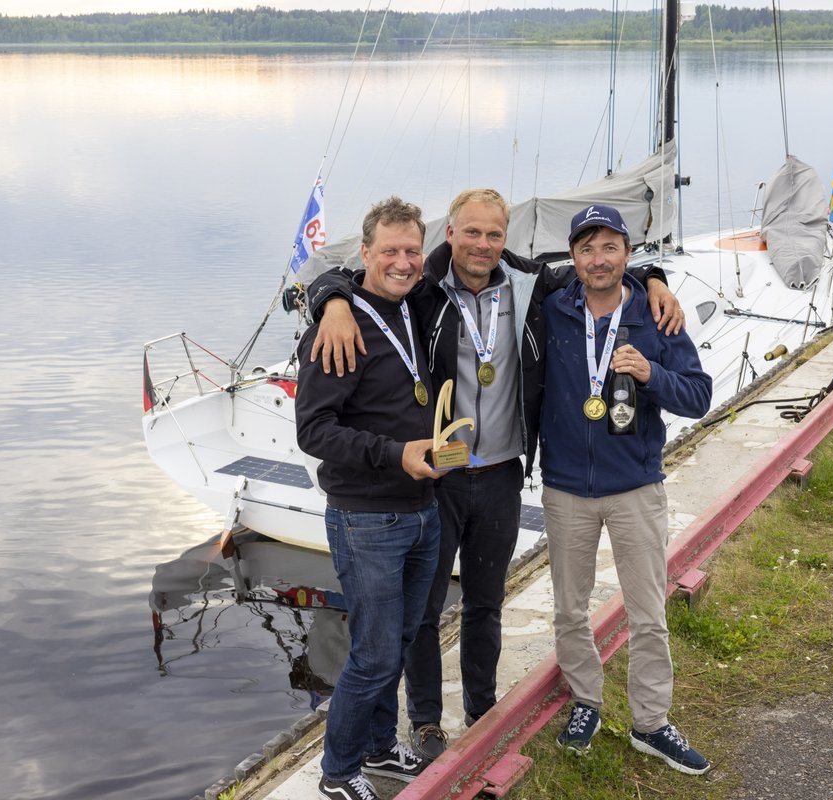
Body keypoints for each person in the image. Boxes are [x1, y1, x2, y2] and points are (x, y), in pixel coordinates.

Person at [306, 189, 685, 760]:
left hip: (503, 471)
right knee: (425, 610)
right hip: (440, 475)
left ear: (506, 240)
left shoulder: (531, 287)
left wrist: (653, 275)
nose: (483, 245)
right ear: (450, 234)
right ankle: (427, 722)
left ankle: (482, 707)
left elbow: (600, 268)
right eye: (471, 233)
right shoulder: (425, 291)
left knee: (486, 601)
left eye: (494, 235)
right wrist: (329, 299)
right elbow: (356, 278)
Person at [539, 203, 712, 773]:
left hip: (636, 485)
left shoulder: (656, 317)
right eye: (586, 248)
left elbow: (698, 396)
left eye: (609, 247)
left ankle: (651, 722)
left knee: (647, 612)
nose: (598, 259)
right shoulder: (552, 308)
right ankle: (586, 700)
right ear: (572, 257)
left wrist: (651, 375)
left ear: (628, 254)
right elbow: (486, 261)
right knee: (569, 608)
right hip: (566, 489)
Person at [295, 197, 443, 800]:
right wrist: (395, 453)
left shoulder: (412, 305)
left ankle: (381, 747)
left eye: (412, 250)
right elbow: (314, 430)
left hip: (420, 508)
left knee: (400, 643)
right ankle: (339, 771)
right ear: (365, 253)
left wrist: (650, 275)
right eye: (390, 251)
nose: (404, 263)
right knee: (374, 655)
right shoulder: (342, 321)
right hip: (368, 517)